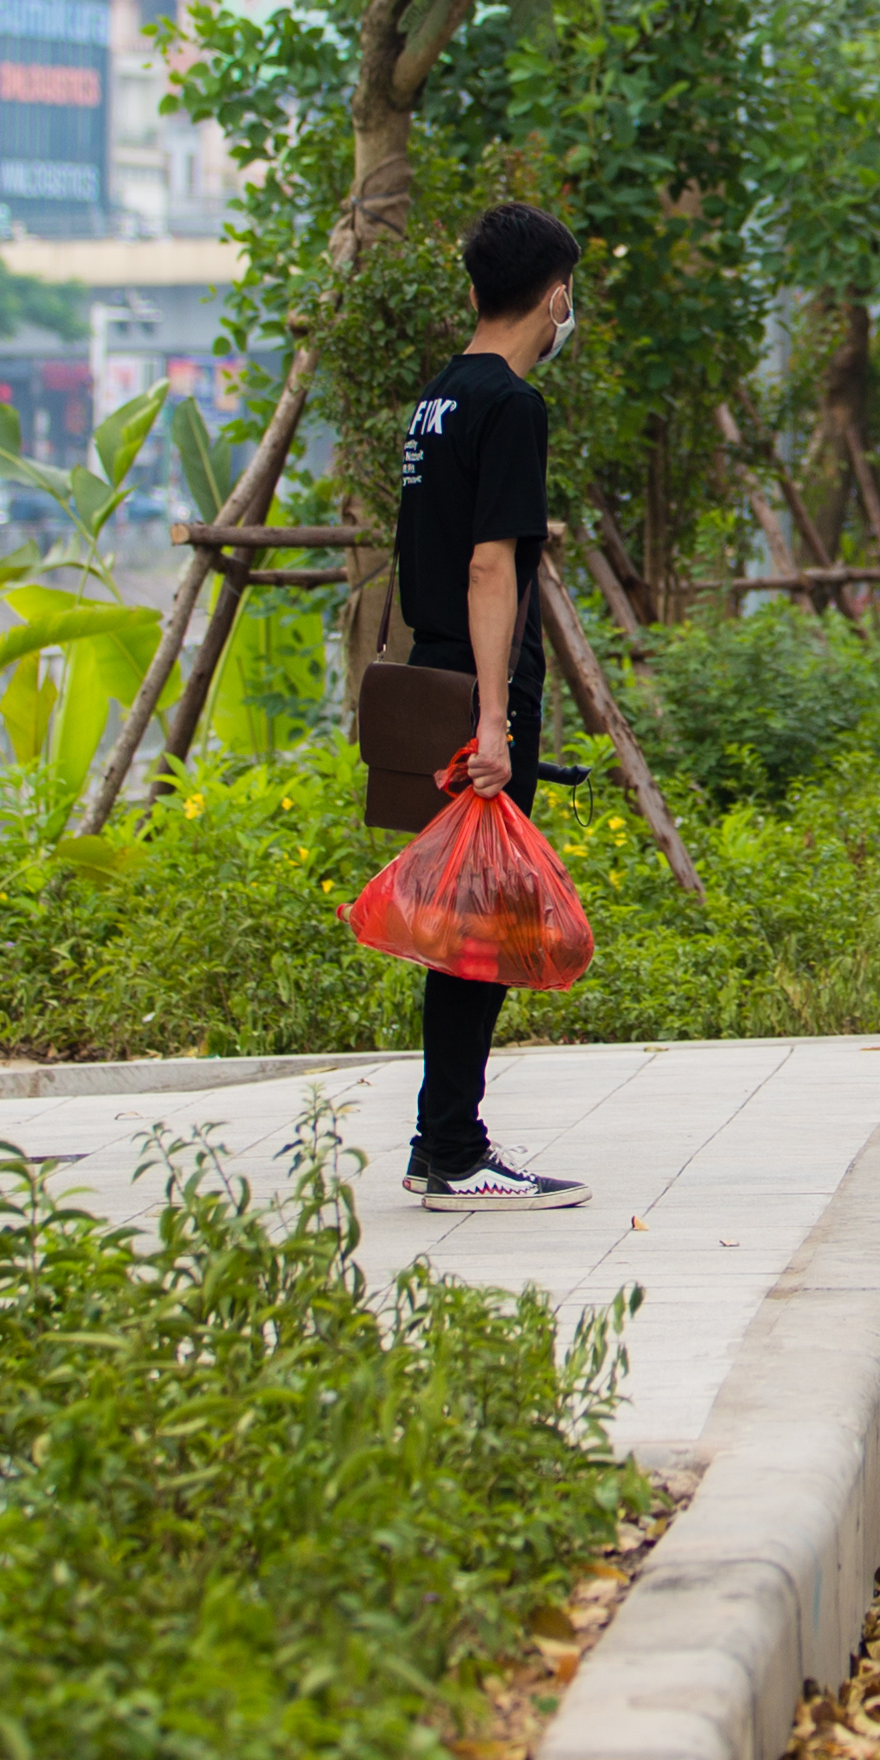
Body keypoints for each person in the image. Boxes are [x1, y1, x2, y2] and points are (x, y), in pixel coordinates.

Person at [386, 202, 595, 1213]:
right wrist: (495, 721)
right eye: (571, 294)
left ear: (474, 288)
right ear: (554, 294)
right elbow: (487, 561)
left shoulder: (436, 398)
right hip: (477, 684)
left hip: (431, 669)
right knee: (479, 922)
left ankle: (447, 1137)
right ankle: (453, 1148)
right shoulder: (511, 404)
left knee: (468, 916)